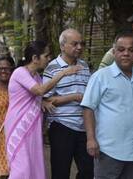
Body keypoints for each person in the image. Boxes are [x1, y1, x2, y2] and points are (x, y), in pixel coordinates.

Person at [4, 41, 81, 179]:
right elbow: (40, 91)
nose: (48, 59)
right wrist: (63, 73)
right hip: (19, 127)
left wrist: (43, 102)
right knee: (21, 169)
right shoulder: (20, 72)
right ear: (35, 58)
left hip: (33, 128)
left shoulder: (36, 77)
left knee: (35, 165)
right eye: (46, 56)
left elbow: (37, 96)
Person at [81, 31, 133, 179]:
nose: (126, 54)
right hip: (109, 150)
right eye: (121, 50)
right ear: (114, 52)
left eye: (131, 50)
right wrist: (91, 139)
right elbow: (88, 108)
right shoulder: (101, 77)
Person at [43, 29, 93, 179]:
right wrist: (74, 97)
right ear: (63, 46)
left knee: (88, 171)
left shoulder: (84, 66)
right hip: (61, 126)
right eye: (75, 44)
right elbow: (45, 101)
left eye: (81, 43)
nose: (79, 47)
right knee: (61, 172)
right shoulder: (52, 68)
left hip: (84, 126)